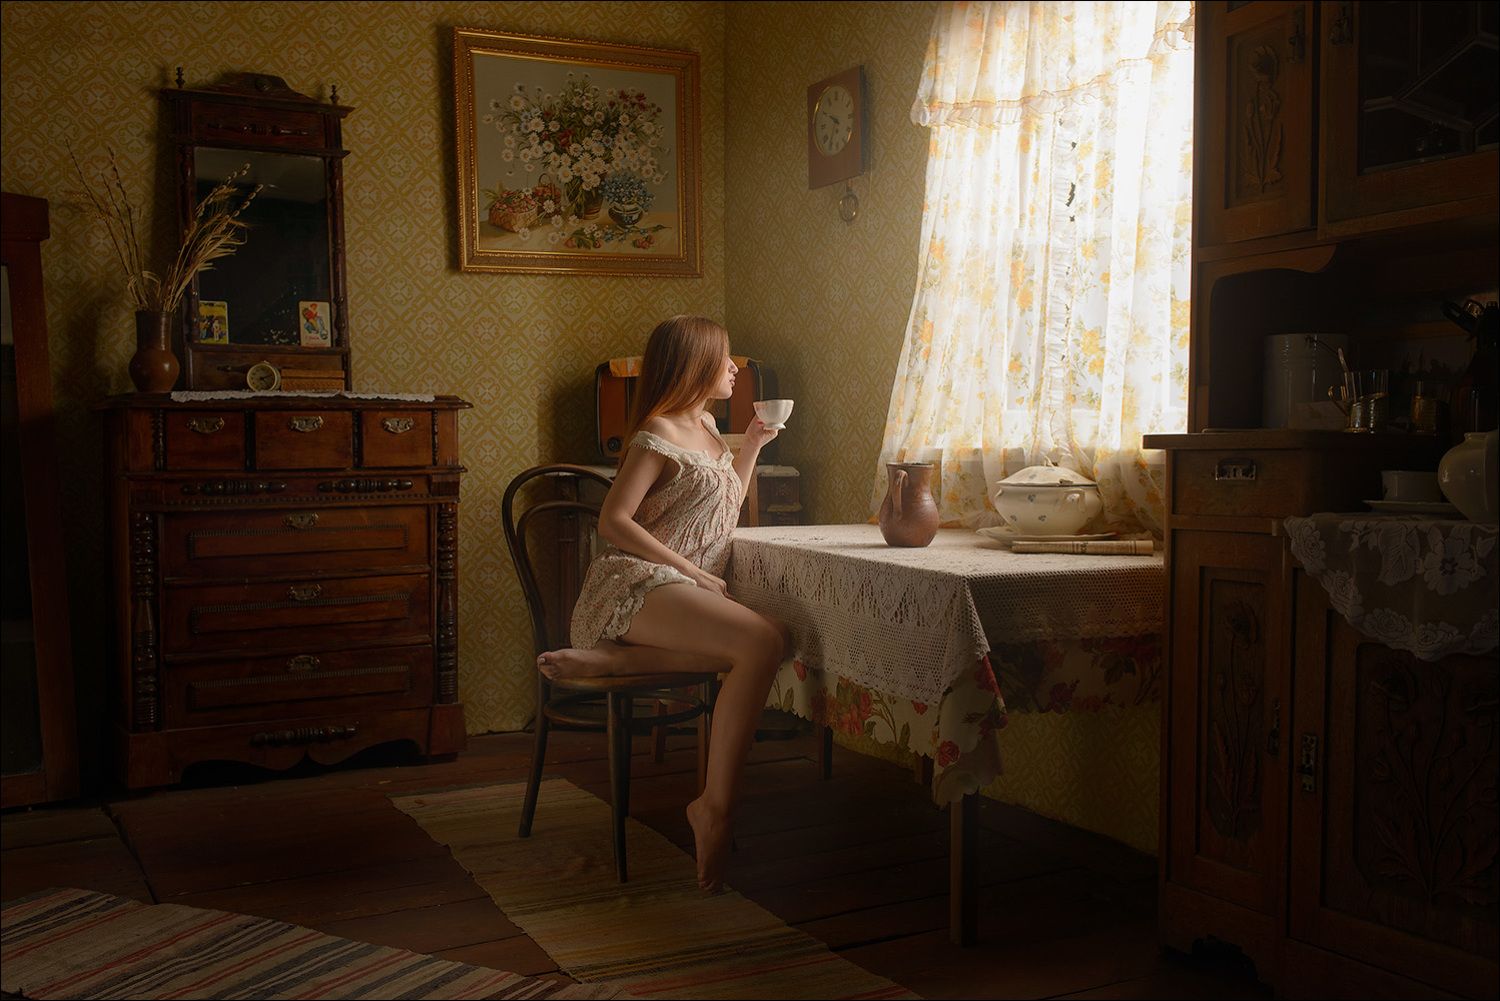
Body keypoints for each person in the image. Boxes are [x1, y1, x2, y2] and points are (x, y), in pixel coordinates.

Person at [538, 315, 789, 893]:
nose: (734, 368)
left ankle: (618, 661)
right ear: (696, 362)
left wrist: (751, 445)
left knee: (776, 634)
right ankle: (715, 808)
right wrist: (691, 572)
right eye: (725, 357)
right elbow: (613, 522)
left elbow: (722, 509)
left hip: (681, 587)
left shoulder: (708, 425)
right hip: (635, 583)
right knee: (760, 641)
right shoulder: (657, 431)